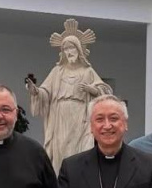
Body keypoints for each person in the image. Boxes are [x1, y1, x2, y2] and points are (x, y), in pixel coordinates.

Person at [26, 21, 113, 172]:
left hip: (80, 118)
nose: (69, 52)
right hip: (59, 118)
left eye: (72, 47)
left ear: (79, 49)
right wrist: (35, 91)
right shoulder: (57, 71)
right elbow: (45, 93)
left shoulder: (88, 72)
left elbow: (105, 92)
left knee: (79, 151)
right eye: (65, 49)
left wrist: (92, 89)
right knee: (59, 153)